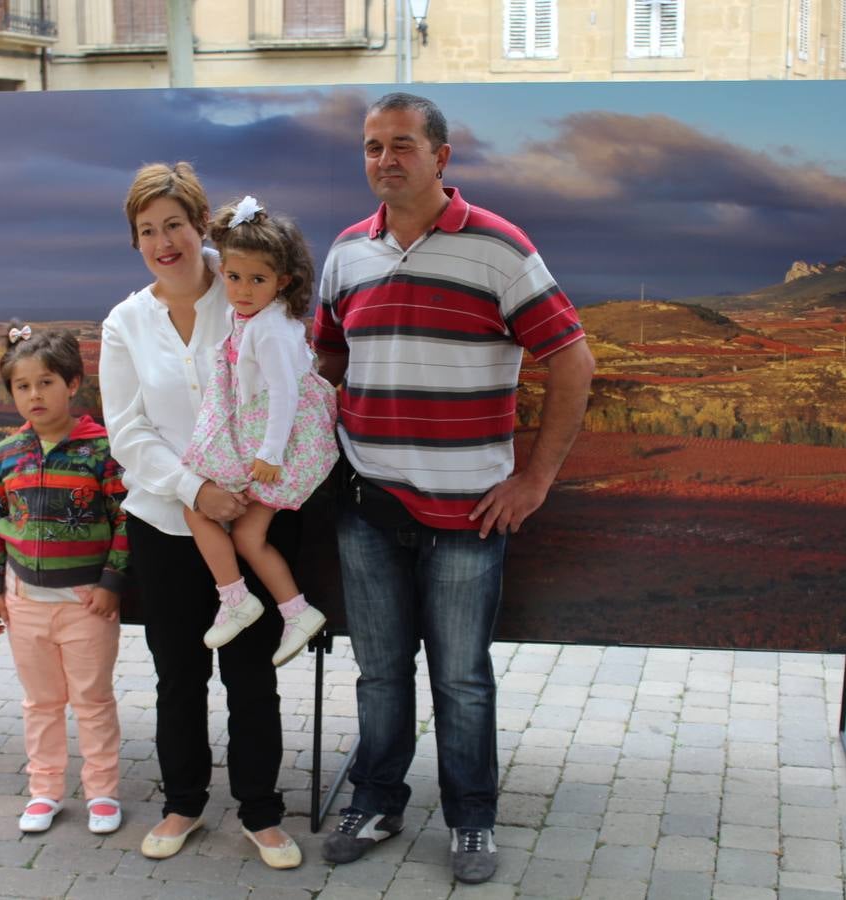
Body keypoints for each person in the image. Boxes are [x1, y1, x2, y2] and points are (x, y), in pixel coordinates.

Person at [312, 92, 595, 885]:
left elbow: (573, 362)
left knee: (462, 679)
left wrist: (534, 480)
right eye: (372, 147)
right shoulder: (345, 255)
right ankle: (376, 800)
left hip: (469, 513)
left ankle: (472, 819)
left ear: (442, 156)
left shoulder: (499, 249)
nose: (384, 160)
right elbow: (326, 362)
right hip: (369, 505)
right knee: (377, 670)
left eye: (401, 145)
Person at [98, 162, 301, 869]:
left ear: (199, 225)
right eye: (147, 231)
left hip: (247, 514)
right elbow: (126, 432)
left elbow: (285, 388)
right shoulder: (125, 322)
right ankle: (183, 801)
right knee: (178, 673)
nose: (164, 241)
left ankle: (263, 813)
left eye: (174, 225)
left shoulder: (248, 293)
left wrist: (238, 490)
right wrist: (193, 489)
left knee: (251, 674)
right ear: (137, 242)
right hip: (164, 521)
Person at [0, 322, 128, 836]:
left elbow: (125, 520)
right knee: (40, 701)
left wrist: (112, 582)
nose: (34, 394)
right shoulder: (5, 454)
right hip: (24, 604)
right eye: (22, 386)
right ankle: (44, 790)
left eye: (45, 382)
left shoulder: (101, 449)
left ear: (72, 383)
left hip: (87, 604)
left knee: (92, 699)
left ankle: (103, 791)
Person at [182, 195, 337, 666]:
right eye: (233, 277)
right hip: (266, 439)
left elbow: (285, 394)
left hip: (280, 447)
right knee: (248, 537)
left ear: (282, 281)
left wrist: (270, 454)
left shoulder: (269, 329)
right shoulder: (247, 316)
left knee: (194, 504)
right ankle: (297, 611)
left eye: (257, 279)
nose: (243, 289)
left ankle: (236, 598)